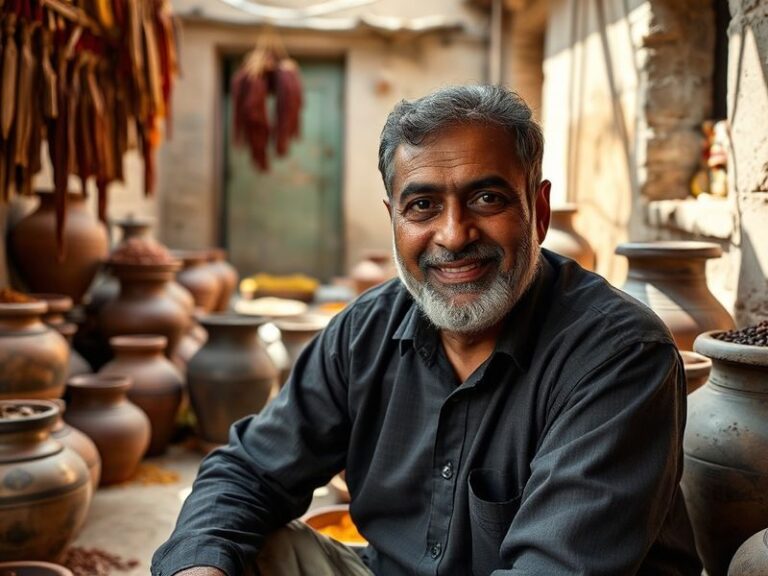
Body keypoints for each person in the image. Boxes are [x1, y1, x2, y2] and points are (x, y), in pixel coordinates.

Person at [152, 85, 702, 576]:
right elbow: (247, 472)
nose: (454, 234)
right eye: (423, 206)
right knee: (243, 548)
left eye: (487, 198)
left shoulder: (620, 354)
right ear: (394, 219)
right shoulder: (362, 334)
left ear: (538, 209)